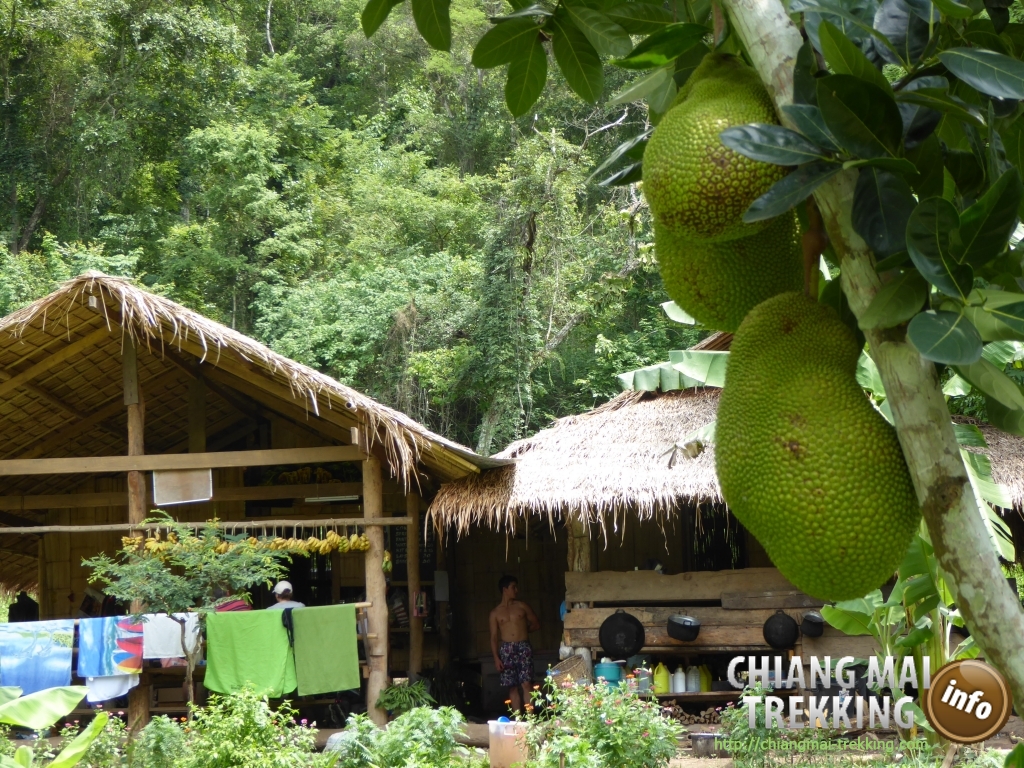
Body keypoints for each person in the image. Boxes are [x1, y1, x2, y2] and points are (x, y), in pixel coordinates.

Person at [489, 575, 540, 714]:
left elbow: (536, 624)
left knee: (526, 683)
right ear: (505, 589)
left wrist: (523, 631)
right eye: (513, 587)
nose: (516, 590)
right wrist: (496, 658)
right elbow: (493, 637)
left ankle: (530, 718)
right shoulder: (495, 613)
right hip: (506, 649)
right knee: (511, 686)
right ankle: (517, 719)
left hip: (523, 647)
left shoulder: (522, 606)